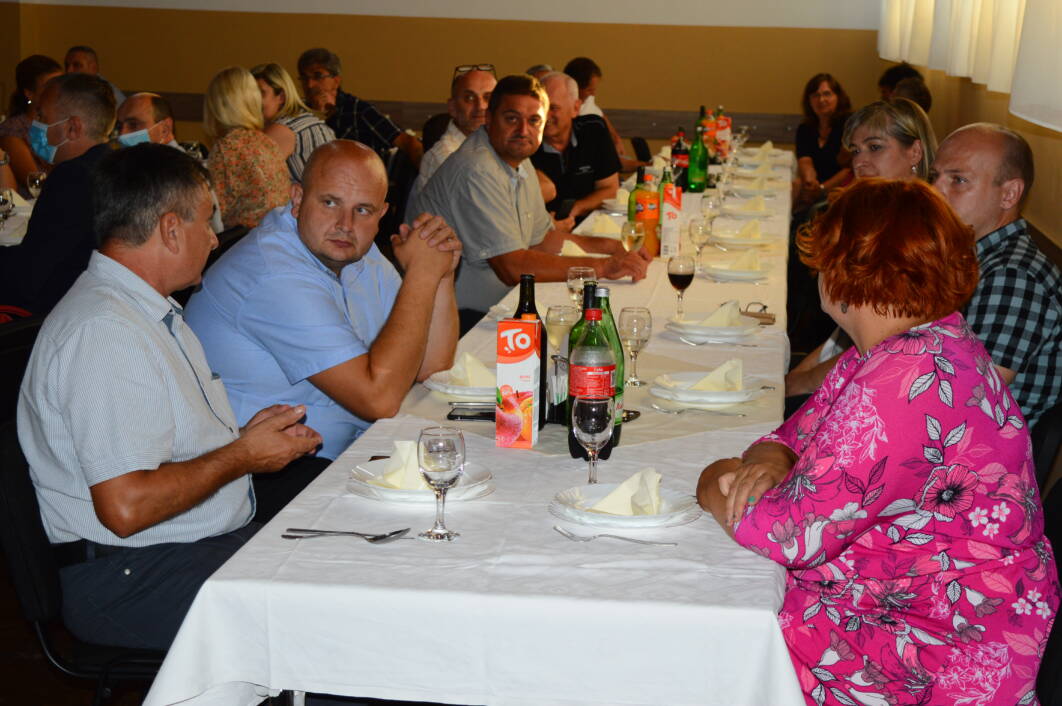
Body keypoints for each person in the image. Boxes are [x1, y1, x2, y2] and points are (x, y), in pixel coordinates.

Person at [698, 178, 1058, 706]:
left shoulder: (906, 379)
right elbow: (789, 436)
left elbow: (786, 537)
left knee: (715, 646)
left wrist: (710, 480)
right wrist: (773, 457)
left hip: (939, 644)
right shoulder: (912, 345)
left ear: (843, 269)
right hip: (918, 601)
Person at [18, 143, 322, 650]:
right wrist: (243, 455)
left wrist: (245, 441)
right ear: (170, 229)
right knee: (327, 622)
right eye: (206, 220)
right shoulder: (105, 331)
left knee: (336, 573)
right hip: (130, 576)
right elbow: (126, 506)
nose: (214, 236)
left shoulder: (141, 310)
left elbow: (161, 448)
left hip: (172, 550)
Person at [186, 141, 460, 460]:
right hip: (268, 472)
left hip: (347, 451)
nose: (345, 224)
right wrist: (421, 276)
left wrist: (440, 273)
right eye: (330, 203)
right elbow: (379, 400)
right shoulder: (273, 273)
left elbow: (430, 366)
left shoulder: (353, 249)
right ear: (297, 199)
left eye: (363, 210)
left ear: (381, 214)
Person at [409, 74, 649, 329]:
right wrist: (603, 266)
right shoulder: (477, 168)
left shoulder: (519, 161)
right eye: (512, 119)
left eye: (534, 120)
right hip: (456, 319)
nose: (523, 131)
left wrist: (613, 247)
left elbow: (543, 239)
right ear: (489, 118)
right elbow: (511, 267)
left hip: (502, 305)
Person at [786, 98, 938, 403]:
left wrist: (798, 384)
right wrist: (792, 380)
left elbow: (881, 346)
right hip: (846, 363)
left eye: (875, 147)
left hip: (879, 386)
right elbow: (843, 336)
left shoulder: (921, 236)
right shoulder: (877, 218)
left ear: (915, 152)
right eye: (855, 151)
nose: (860, 162)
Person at [931, 123, 1062, 427]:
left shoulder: (1013, 276)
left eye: (958, 180)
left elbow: (966, 399)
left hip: (979, 446)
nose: (935, 191)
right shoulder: (972, 256)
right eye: (934, 176)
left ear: (1009, 194)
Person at [0, 73, 115, 315]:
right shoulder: (113, 164)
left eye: (42, 117)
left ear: (73, 127)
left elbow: (28, 276)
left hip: (55, 309)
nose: (35, 125)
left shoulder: (73, 177)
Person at [297, 47, 422, 168]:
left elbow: (406, 142)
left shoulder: (357, 109)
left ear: (336, 81)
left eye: (317, 76)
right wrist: (318, 114)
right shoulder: (298, 111)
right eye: (304, 78)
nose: (309, 84)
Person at [203, 66, 289, 229]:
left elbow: (213, 213)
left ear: (216, 106)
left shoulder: (226, 148)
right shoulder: (267, 142)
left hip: (244, 238)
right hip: (277, 234)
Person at [531, 71, 619, 220]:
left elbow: (610, 189)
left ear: (575, 109)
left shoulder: (593, 129)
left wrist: (575, 209)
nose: (544, 115)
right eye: (541, 107)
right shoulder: (525, 143)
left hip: (589, 223)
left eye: (553, 108)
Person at [411, 64, 497, 200]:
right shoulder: (444, 158)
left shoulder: (500, 146)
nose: (481, 106)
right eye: (469, 98)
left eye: (488, 98)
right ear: (452, 107)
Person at [251, 62, 335, 183]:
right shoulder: (304, 118)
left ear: (281, 97)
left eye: (261, 93)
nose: (253, 101)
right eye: (249, 95)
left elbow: (249, 180)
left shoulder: (283, 129)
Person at [563, 57, 647, 173]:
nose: (593, 94)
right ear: (575, 87)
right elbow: (607, 161)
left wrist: (616, 138)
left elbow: (599, 113)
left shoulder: (586, 99)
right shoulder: (573, 117)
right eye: (589, 90)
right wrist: (644, 166)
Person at [0, 55, 63, 194]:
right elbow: (36, 181)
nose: (58, 92)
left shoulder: (62, 123)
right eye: (49, 87)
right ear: (29, 93)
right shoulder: (13, 130)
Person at [794, 73, 852, 208]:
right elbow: (805, 161)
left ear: (838, 97)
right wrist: (810, 183)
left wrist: (822, 189)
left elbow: (849, 169)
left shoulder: (849, 126)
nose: (821, 100)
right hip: (814, 189)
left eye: (827, 94)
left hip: (842, 191)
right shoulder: (805, 128)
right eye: (815, 95)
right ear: (809, 100)